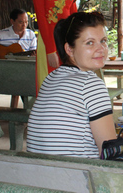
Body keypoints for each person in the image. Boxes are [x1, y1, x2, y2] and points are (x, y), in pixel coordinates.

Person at [27, 12, 116, 158]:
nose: (101, 49)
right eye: (90, 43)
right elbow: (110, 151)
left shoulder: (51, 78)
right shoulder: (91, 85)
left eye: (103, 41)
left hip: (40, 175)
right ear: (69, 49)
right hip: (76, 176)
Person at [31, 0, 77, 94]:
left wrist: (76, 42)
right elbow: (41, 17)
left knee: (69, 85)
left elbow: (74, 17)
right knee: (53, 84)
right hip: (49, 40)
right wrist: (50, 50)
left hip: (67, 41)